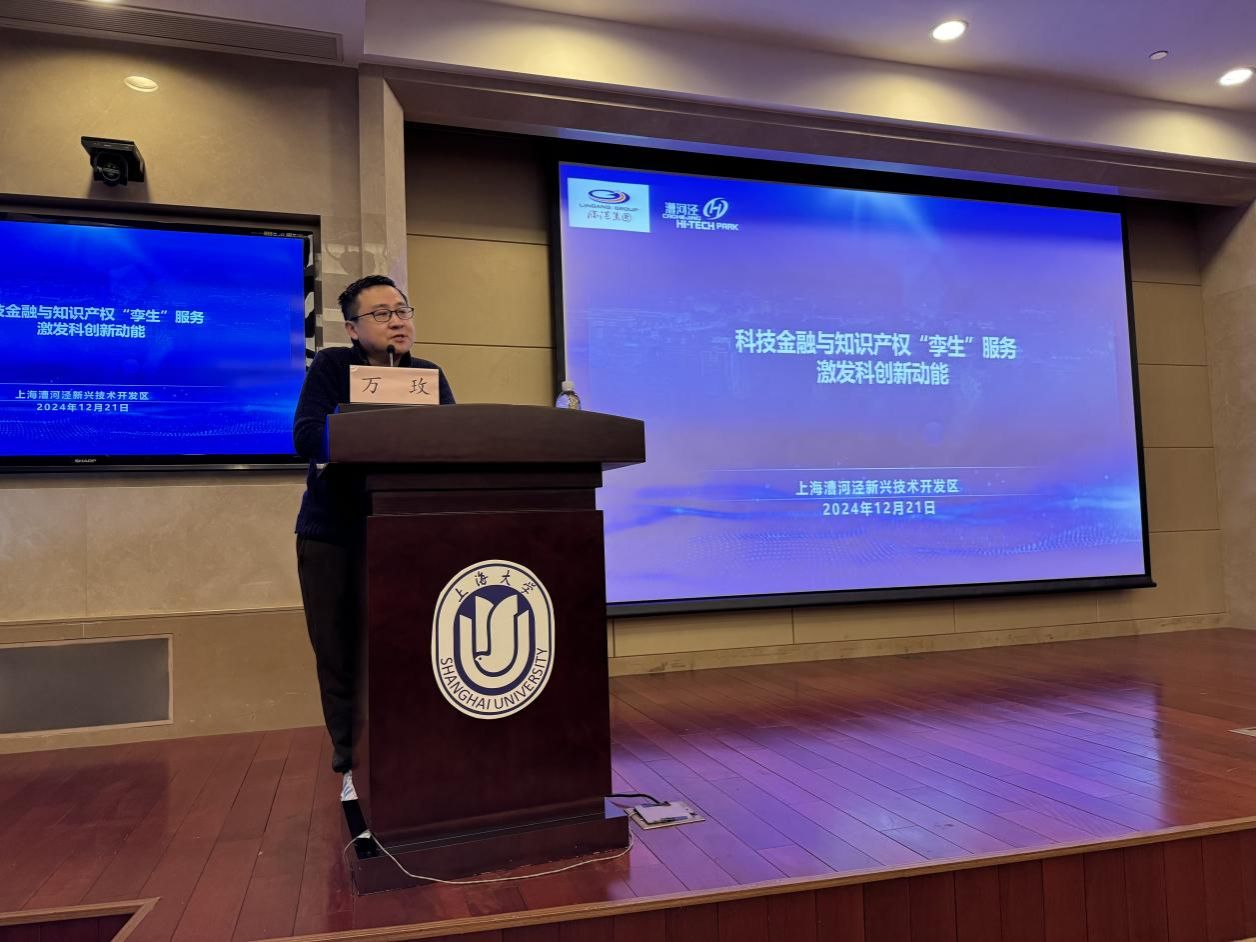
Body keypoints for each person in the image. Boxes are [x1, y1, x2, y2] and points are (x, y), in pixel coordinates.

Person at [293, 274, 455, 796]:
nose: (397, 321)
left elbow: (457, 442)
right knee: (339, 650)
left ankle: (414, 750)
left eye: (402, 311)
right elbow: (305, 436)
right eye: (381, 314)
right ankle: (350, 762)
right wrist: (368, 426)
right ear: (352, 328)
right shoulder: (331, 367)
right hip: (334, 534)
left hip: (406, 534)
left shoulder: (428, 375)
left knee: (409, 646)